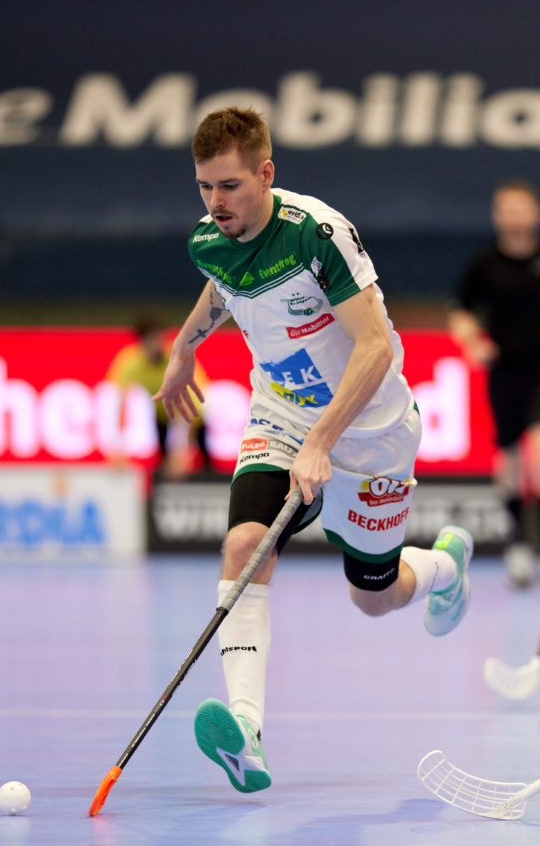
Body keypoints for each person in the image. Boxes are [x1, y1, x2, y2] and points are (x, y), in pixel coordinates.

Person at [153, 106, 473, 794]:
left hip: (371, 429)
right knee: (243, 547)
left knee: (374, 596)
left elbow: (376, 346)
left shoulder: (318, 236)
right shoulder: (210, 238)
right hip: (280, 410)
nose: (217, 203)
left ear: (266, 174)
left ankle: (443, 566)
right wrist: (184, 348)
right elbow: (226, 285)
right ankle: (247, 733)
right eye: (205, 187)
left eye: (231, 186)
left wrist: (324, 441)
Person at [449, 180, 540, 587]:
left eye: (521, 208)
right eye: (506, 209)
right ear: (497, 216)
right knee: (509, 455)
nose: (514, 217)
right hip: (503, 370)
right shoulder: (484, 264)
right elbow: (459, 309)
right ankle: (517, 540)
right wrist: (472, 341)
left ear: (535, 214)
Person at [106, 314, 212, 478]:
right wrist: (118, 449)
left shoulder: (178, 360)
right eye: (152, 339)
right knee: (163, 467)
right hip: (162, 415)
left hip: (193, 416)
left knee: (203, 467)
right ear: (141, 341)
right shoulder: (131, 362)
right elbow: (119, 403)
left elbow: (192, 408)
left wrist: (181, 452)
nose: (158, 344)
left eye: (160, 338)